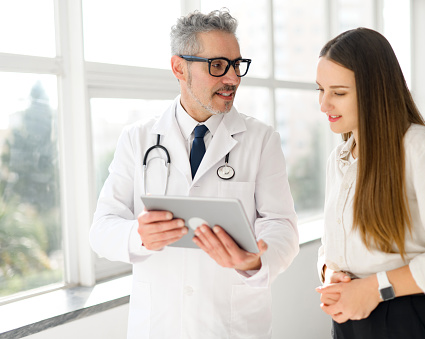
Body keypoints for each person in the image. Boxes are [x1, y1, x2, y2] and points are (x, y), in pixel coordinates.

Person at [89, 9, 299, 339]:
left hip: (231, 326)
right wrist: (139, 236)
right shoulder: (138, 138)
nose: (233, 78)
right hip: (159, 326)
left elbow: (282, 225)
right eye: (218, 66)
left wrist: (254, 261)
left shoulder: (261, 140)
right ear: (179, 67)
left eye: (236, 65)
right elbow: (101, 229)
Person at [314, 27, 425, 339]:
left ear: (374, 91)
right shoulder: (338, 160)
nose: (323, 105)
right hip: (350, 320)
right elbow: (332, 243)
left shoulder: (423, 150)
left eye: (338, 93)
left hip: (409, 318)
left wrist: (375, 288)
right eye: (320, 90)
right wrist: (332, 275)